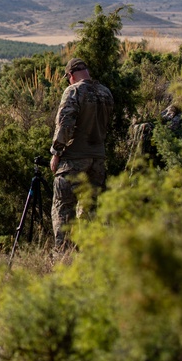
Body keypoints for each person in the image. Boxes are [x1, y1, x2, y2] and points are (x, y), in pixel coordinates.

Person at [49, 57, 114, 250]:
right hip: (98, 160)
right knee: (90, 211)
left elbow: (65, 124)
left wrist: (56, 152)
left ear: (70, 75)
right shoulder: (105, 93)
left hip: (73, 160)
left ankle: (64, 257)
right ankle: (89, 255)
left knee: (63, 210)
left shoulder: (73, 91)